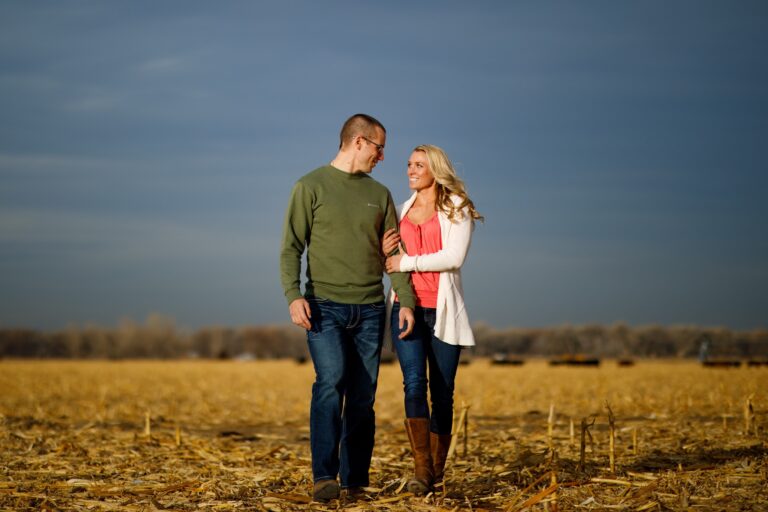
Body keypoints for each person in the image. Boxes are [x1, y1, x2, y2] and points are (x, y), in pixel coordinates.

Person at [280, 114, 417, 502]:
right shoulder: (310, 186)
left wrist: (404, 300)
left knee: (362, 395)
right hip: (324, 307)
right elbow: (291, 246)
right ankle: (324, 475)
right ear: (358, 142)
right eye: (379, 147)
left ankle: (354, 479)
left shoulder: (380, 194)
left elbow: (395, 254)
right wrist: (294, 295)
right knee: (331, 382)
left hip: (372, 310)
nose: (383, 156)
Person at [382, 144, 483, 495]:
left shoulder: (457, 207)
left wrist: (406, 262)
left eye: (419, 165)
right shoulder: (399, 210)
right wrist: (385, 252)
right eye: (409, 164)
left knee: (443, 393)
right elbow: (389, 260)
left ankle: (437, 471)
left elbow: (454, 257)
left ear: (435, 170)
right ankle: (421, 469)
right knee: (413, 385)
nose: (410, 170)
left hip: (443, 313)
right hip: (405, 308)